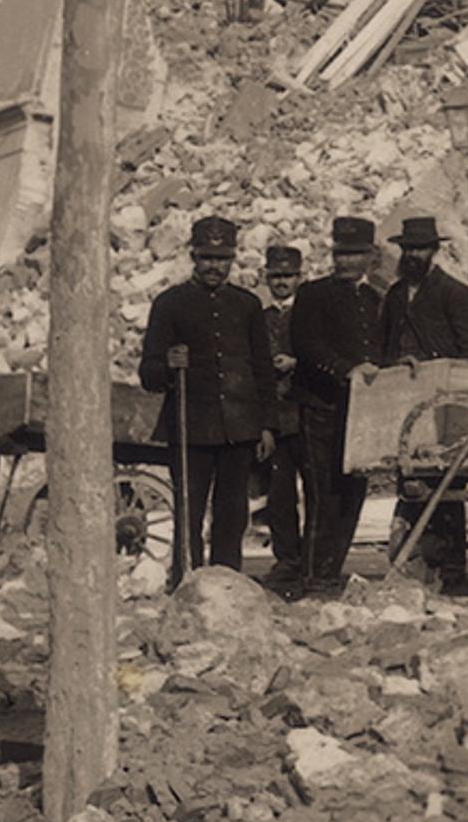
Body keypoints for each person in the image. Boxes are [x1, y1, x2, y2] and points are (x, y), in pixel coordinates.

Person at [140, 217, 276, 580]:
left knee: (232, 512)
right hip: (191, 428)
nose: (214, 266)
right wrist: (167, 364)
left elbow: (262, 368)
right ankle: (186, 579)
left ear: (232, 258)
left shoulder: (247, 305)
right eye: (206, 257)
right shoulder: (169, 304)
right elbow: (148, 374)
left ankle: (226, 581)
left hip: (239, 427)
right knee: (190, 509)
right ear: (192, 257)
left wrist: (266, 425)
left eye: (222, 258)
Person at [375, 216, 468, 586]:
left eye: (420, 248)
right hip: (406, 407)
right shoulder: (394, 295)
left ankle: (452, 568)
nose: (412, 255)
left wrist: (435, 368)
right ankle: (411, 564)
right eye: (407, 248)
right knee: (408, 479)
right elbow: (384, 348)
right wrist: (397, 363)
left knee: (446, 485)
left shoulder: (454, 293)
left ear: (434, 250)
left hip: (446, 406)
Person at [284, 217, 385, 594]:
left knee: (351, 496)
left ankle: (331, 572)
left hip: (361, 417)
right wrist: (347, 371)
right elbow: (307, 345)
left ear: (370, 256)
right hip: (320, 408)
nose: (346, 261)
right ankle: (312, 577)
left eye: (355, 253)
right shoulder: (313, 294)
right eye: (341, 253)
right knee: (322, 494)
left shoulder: (377, 299)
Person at [258, 244, 311, 574]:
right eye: (276, 276)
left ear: (299, 278)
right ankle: (287, 557)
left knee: (316, 491)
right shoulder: (260, 318)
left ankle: (313, 558)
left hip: (306, 412)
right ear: (266, 278)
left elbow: (321, 354)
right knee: (280, 493)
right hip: (275, 416)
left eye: (288, 276)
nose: (282, 282)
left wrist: (296, 363)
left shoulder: (308, 315)